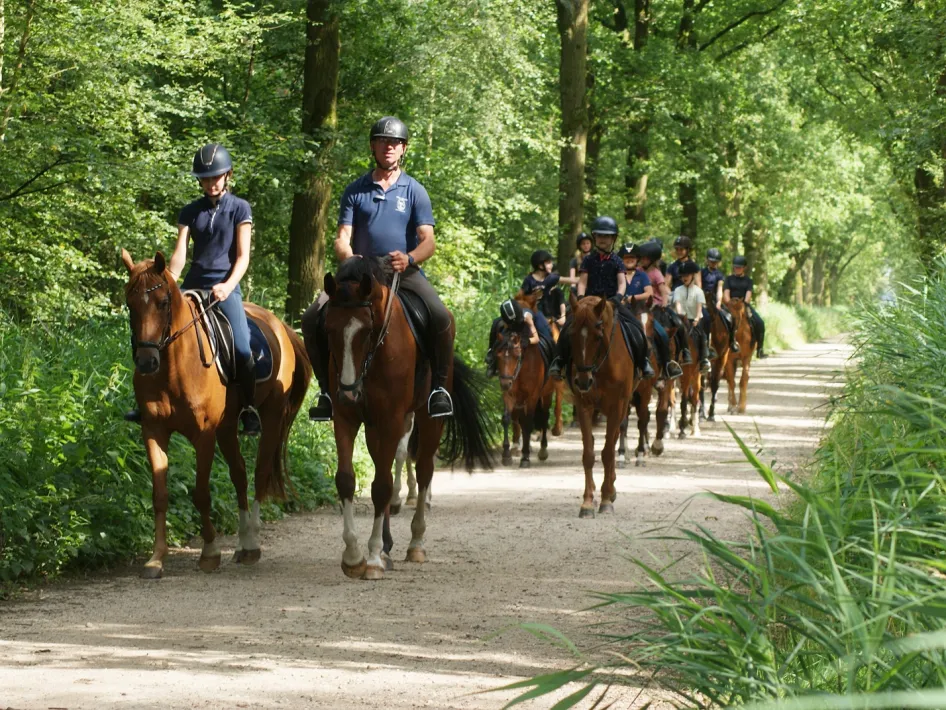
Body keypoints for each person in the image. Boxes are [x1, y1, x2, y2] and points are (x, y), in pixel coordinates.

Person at [302, 116, 454, 421]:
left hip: (401, 269)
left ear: (403, 149)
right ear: (373, 146)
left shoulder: (415, 191)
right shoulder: (355, 190)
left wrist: (410, 258)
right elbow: (342, 238)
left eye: (395, 143)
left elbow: (429, 242)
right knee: (311, 317)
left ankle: (438, 390)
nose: (389, 147)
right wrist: (350, 257)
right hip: (360, 272)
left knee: (441, 316)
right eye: (383, 141)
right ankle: (325, 392)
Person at [124, 143, 261, 436]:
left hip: (225, 287)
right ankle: (145, 399)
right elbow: (180, 254)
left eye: (216, 177)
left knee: (240, 346)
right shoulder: (189, 211)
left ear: (227, 176)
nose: (211, 183)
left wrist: (228, 285)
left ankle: (249, 409)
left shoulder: (240, 208)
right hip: (192, 284)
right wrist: (169, 279)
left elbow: (243, 256)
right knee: (151, 333)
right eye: (205, 178)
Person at [549, 216, 655, 381]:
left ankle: (643, 362)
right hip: (589, 303)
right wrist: (582, 299)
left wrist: (617, 298)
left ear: (613, 239)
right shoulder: (588, 260)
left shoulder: (618, 261)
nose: (603, 239)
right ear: (595, 237)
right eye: (599, 236)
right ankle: (559, 361)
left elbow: (622, 283)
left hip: (611, 302)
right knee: (568, 326)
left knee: (635, 327)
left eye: (607, 236)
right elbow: (582, 281)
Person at [619, 243, 682, 381]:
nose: (630, 260)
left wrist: (632, 298)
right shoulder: (620, 274)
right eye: (626, 258)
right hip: (622, 310)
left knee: (662, 334)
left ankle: (666, 365)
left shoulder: (646, 275)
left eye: (633, 258)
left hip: (643, 309)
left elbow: (652, 292)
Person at [638, 239, 692, 366]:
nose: (643, 260)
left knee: (678, 322)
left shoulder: (656, 273)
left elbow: (663, 291)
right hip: (640, 307)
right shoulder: (638, 271)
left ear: (652, 259)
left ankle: (684, 351)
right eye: (642, 258)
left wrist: (664, 303)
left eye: (645, 259)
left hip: (656, 306)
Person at [485, 292, 552, 376]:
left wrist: (527, 340)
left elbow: (536, 339)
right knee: (496, 324)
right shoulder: (504, 321)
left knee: (549, 337)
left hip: (530, 323)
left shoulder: (527, 318)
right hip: (510, 324)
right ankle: (492, 357)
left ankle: (554, 363)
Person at [672, 260, 713, 372]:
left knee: (702, 334)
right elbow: (678, 305)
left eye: (687, 275)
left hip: (695, 318)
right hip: (682, 319)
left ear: (693, 276)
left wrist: (696, 318)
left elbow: (699, 307)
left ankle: (704, 359)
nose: (684, 278)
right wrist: (681, 317)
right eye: (682, 276)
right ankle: (672, 359)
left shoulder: (698, 291)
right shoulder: (678, 290)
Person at [724, 255, 767, 359]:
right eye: (735, 267)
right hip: (731, 305)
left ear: (744, 268)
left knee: (760, 322)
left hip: (743, 304)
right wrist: (730, 303)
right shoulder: (728, 279)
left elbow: (748, 295)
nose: (737, 269)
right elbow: (726, 294)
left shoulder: (748, 280)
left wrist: (742, 303)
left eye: (739, 267)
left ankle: (760, 349)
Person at [522, 249, 578, 328]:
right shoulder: (528, 280)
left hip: (546, 316)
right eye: (548, 263)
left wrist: (586, 277)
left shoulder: (550, 278)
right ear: (541, 266)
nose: (552, 265)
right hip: (532, 313)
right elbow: (521, 298)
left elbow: (571, 280)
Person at [701, 247, 739, 353]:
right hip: (701, 298)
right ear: (707, 260)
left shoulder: (719, 275)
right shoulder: (701, 272)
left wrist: (718, 301)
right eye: (711, 261)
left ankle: (732, 341)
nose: (713, 263)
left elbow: (719, 289)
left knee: (730, 317)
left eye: (715, 262)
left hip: (713, 299)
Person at [568, 232, 592, 297]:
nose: (586, 245)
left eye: (588, 243)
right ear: (580, 246)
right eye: (583, 244)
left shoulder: (595, 259)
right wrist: (573, 287)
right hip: (579, 288)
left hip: (593, 289)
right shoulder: (574, 260)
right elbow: (572, 277)